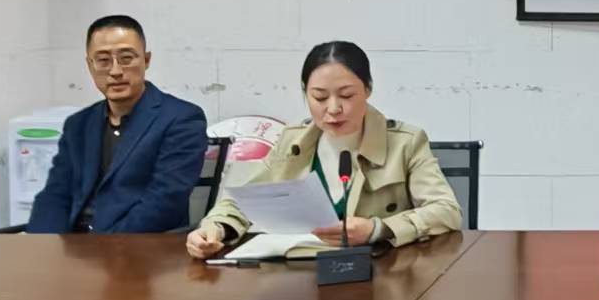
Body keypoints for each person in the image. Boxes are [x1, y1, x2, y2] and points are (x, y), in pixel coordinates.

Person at [186, 41, 462, 258]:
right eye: (319, 97)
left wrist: (377, 229)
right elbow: (245, 199)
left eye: (346, 95)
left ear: (368, 89)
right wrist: (214, 229)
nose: (333, 109)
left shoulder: (406, 142)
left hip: (382, 273)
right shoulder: (293, 141)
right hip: (301, 274)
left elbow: (446, 210)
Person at [27, 15, 209, 234]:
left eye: (126, 58)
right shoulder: (78, 124)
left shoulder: (181, 119)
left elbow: (164, 204)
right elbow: (55, 196)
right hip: (75, 245)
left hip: (140, 247)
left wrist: (101, 245)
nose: (115, 71)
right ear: (90, 65)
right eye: (103, 60)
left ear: (146, 60)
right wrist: (42, 244)